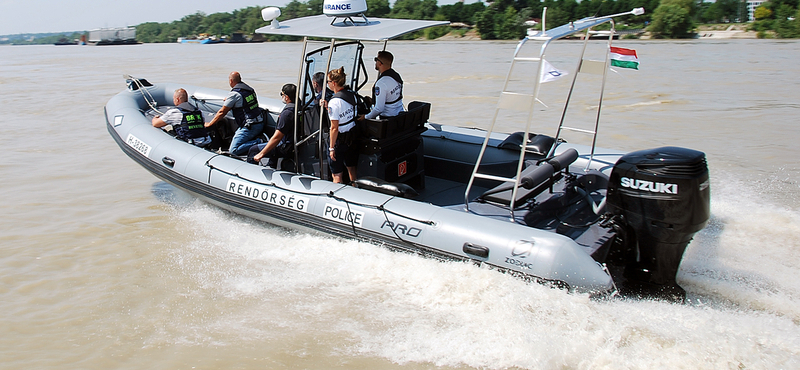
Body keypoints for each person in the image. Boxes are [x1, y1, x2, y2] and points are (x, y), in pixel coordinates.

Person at [204, 71, 265, 155]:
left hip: (250, 127)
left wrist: (210, 124)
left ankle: (260, 141)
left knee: (233, 150)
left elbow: (222, 112)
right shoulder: (249, 89)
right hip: (260, 122)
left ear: (231, 81)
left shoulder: (235, 94)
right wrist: (229, 100)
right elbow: (243, 102)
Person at [247, 84, 297, 167]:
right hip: (291, 144)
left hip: (285, 147)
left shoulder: (287, 114)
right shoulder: (298, 108)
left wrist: (261, 154)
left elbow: (277, 138)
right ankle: (271, 166)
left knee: (253, 150)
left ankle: (250, 172)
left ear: (287, 97)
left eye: (282, 95)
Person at [326, 67, 359, 184]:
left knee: (337, 174)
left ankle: (336, 195)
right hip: (352, 136)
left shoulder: (334, 102)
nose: (327, 84)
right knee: (351, 167)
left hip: (339, 140)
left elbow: (334, 128)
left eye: (328, 82)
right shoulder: (352, 95)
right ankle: (355, 187)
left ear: (333, 83)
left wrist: (331, 148)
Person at [360, 50, 404, 120]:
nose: (375, 62)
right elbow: (391, 97)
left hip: (388, 119)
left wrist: (365, 117)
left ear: (380, 63)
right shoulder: (396, 76)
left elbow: (378, 109)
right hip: (399, 114)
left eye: (376, 60)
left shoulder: (381, 83)